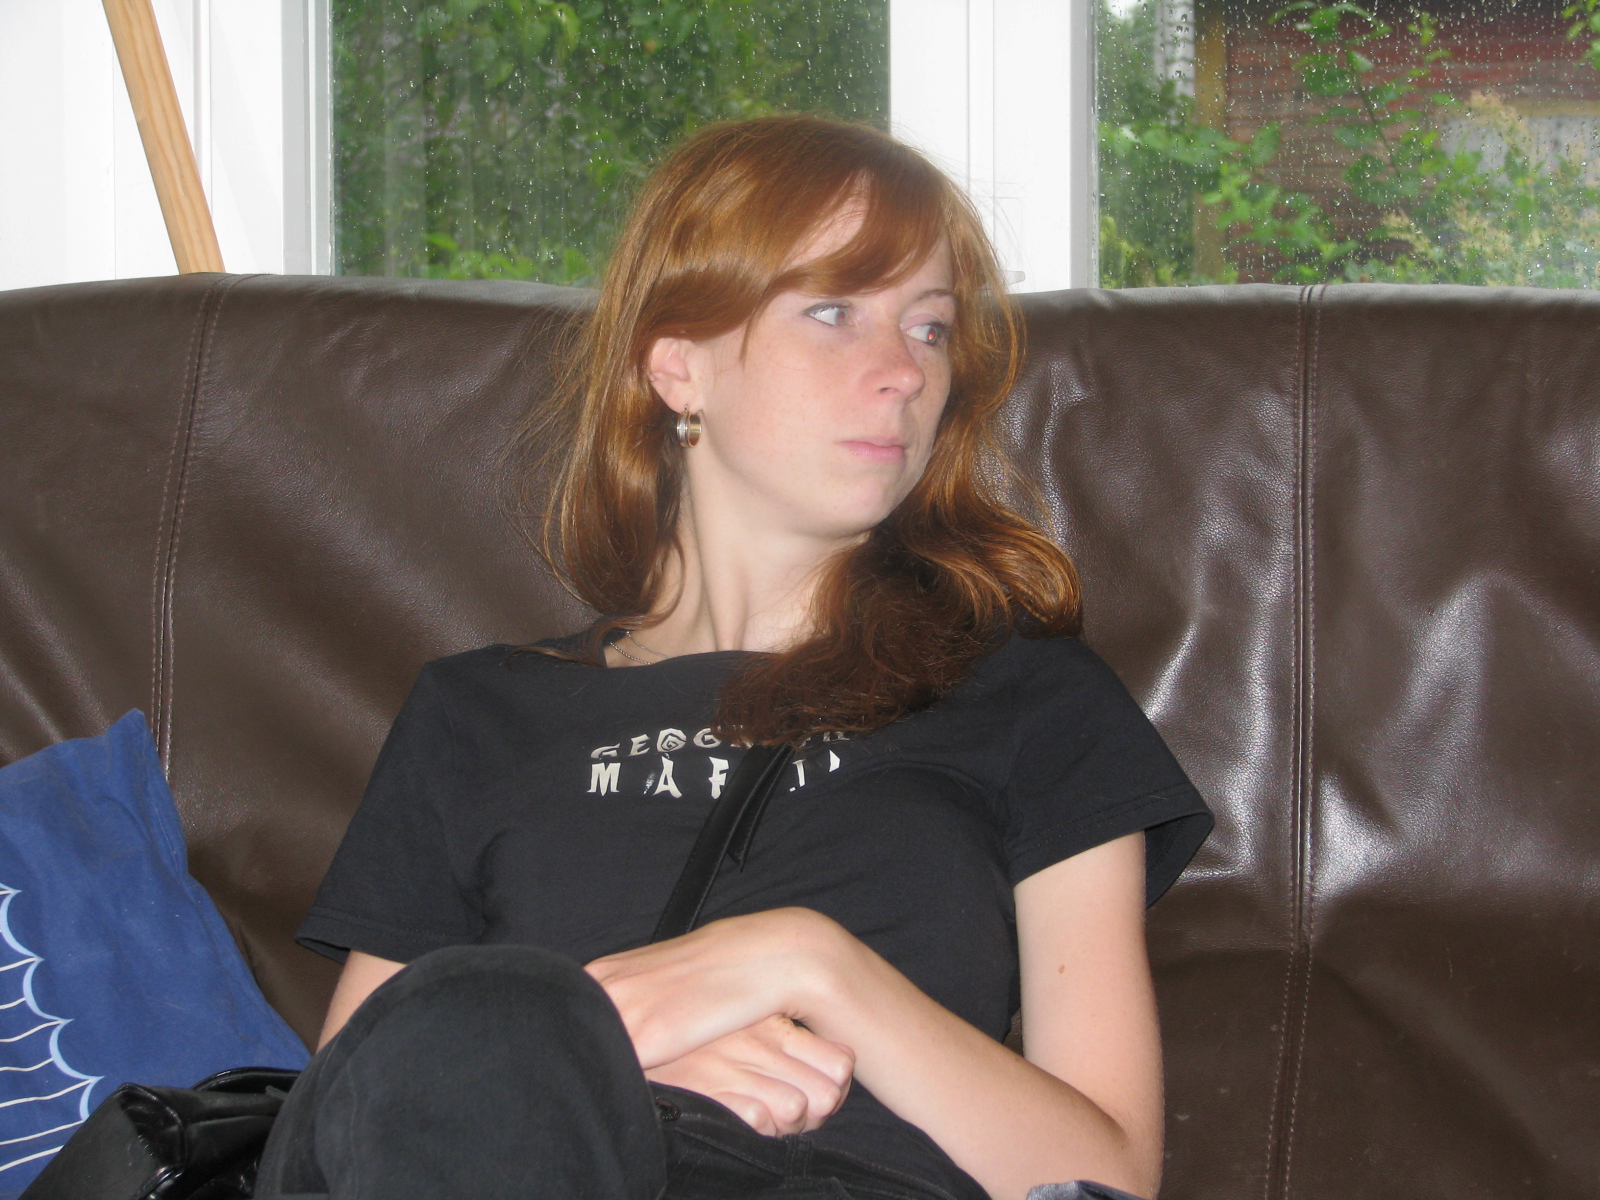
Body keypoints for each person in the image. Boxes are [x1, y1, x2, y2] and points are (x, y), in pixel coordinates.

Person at [255, 115, 1211, 1200]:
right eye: (833, 312)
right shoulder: (477, 715)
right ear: (677, 366)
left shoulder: (1027, 696)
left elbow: (1109, 1176)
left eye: (931, 327)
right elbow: (345, 1128)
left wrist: (809, 964)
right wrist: (603, 1070)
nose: (903, 373)